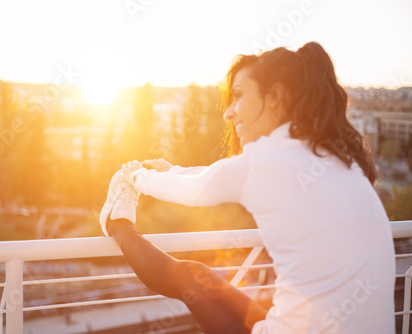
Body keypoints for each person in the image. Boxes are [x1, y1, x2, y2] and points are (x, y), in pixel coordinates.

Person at [99, 42, 396, 334]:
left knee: (191, 277)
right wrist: (174, 170)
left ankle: (118, 223)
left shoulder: (267, 160)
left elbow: (198, 189)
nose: (229, 112)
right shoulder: (333, 157)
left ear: (275, 97)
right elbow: (218, 177)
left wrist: (135, 178)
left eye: (239, 95)